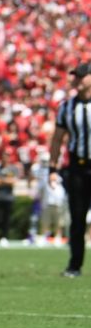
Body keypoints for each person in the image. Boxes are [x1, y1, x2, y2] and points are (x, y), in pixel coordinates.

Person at [51, 62, 91, 277]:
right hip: (78, 166)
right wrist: (52, 168)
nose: (77, 80)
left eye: (82, 76)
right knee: (77, 218)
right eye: (75, 76)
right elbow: (57, 139)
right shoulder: (66, 107)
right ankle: (75, 265)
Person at [0, 150, 18, 247]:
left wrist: (2, 180)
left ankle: (4, 237)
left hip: (8, 197)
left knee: (6, 219)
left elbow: (13, 181)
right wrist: (6, 181)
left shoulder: (13, 169)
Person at [38, 171, 66, 247]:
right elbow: (41, 192)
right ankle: (44, 237)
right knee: (45, 222)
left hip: (58, 205)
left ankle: (58, 237)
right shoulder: (45, 184)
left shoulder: (60, 185)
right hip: (48, 205)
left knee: (58, 223)